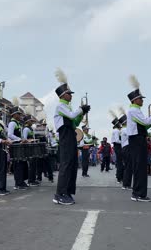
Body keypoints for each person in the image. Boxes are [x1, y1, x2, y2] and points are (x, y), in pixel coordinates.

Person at [53, 68, 90, 205]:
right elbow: (72, 116)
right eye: (69, 93)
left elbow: (75, 122)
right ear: (63, 95)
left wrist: (81, 113)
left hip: (71, 135)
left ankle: (67, 192)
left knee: (73, 164)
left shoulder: (67, 107)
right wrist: (81, 109)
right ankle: (59, 194)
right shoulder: (60, 106)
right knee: (66, 165)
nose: (71, 96)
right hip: (65, 137)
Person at [126, 75, 151, 202]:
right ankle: (139, 194)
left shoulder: (135, 110)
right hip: (137, 140)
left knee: (139, 166)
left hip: (137, 139)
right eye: (141, 98)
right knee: (140, 167)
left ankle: (137, 193)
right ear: (135, 100)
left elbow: (145, 125)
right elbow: (145, 123)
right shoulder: (134, 110)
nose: (143, 100)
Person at [7, 105, 29, 190]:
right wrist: (20, 139)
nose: (20, 116)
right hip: (15, 146)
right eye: (18, 114)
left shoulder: (17, 123)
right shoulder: (12, 123)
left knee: (22, 164)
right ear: (14, 115)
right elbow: (10, 135)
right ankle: (18, 183)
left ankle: (21, 181)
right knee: (18, 165)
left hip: (18, 146)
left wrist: (23, 139)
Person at [111, 116, 123, 183]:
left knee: (120, 162)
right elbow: (117, 140)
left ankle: (119, 176)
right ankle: (119, 177)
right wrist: (124, 142)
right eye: (120, 123)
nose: (121, 124)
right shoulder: (116, 131)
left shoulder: (117, 130)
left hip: (118, 146)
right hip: (118, 146)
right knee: (119, 162)